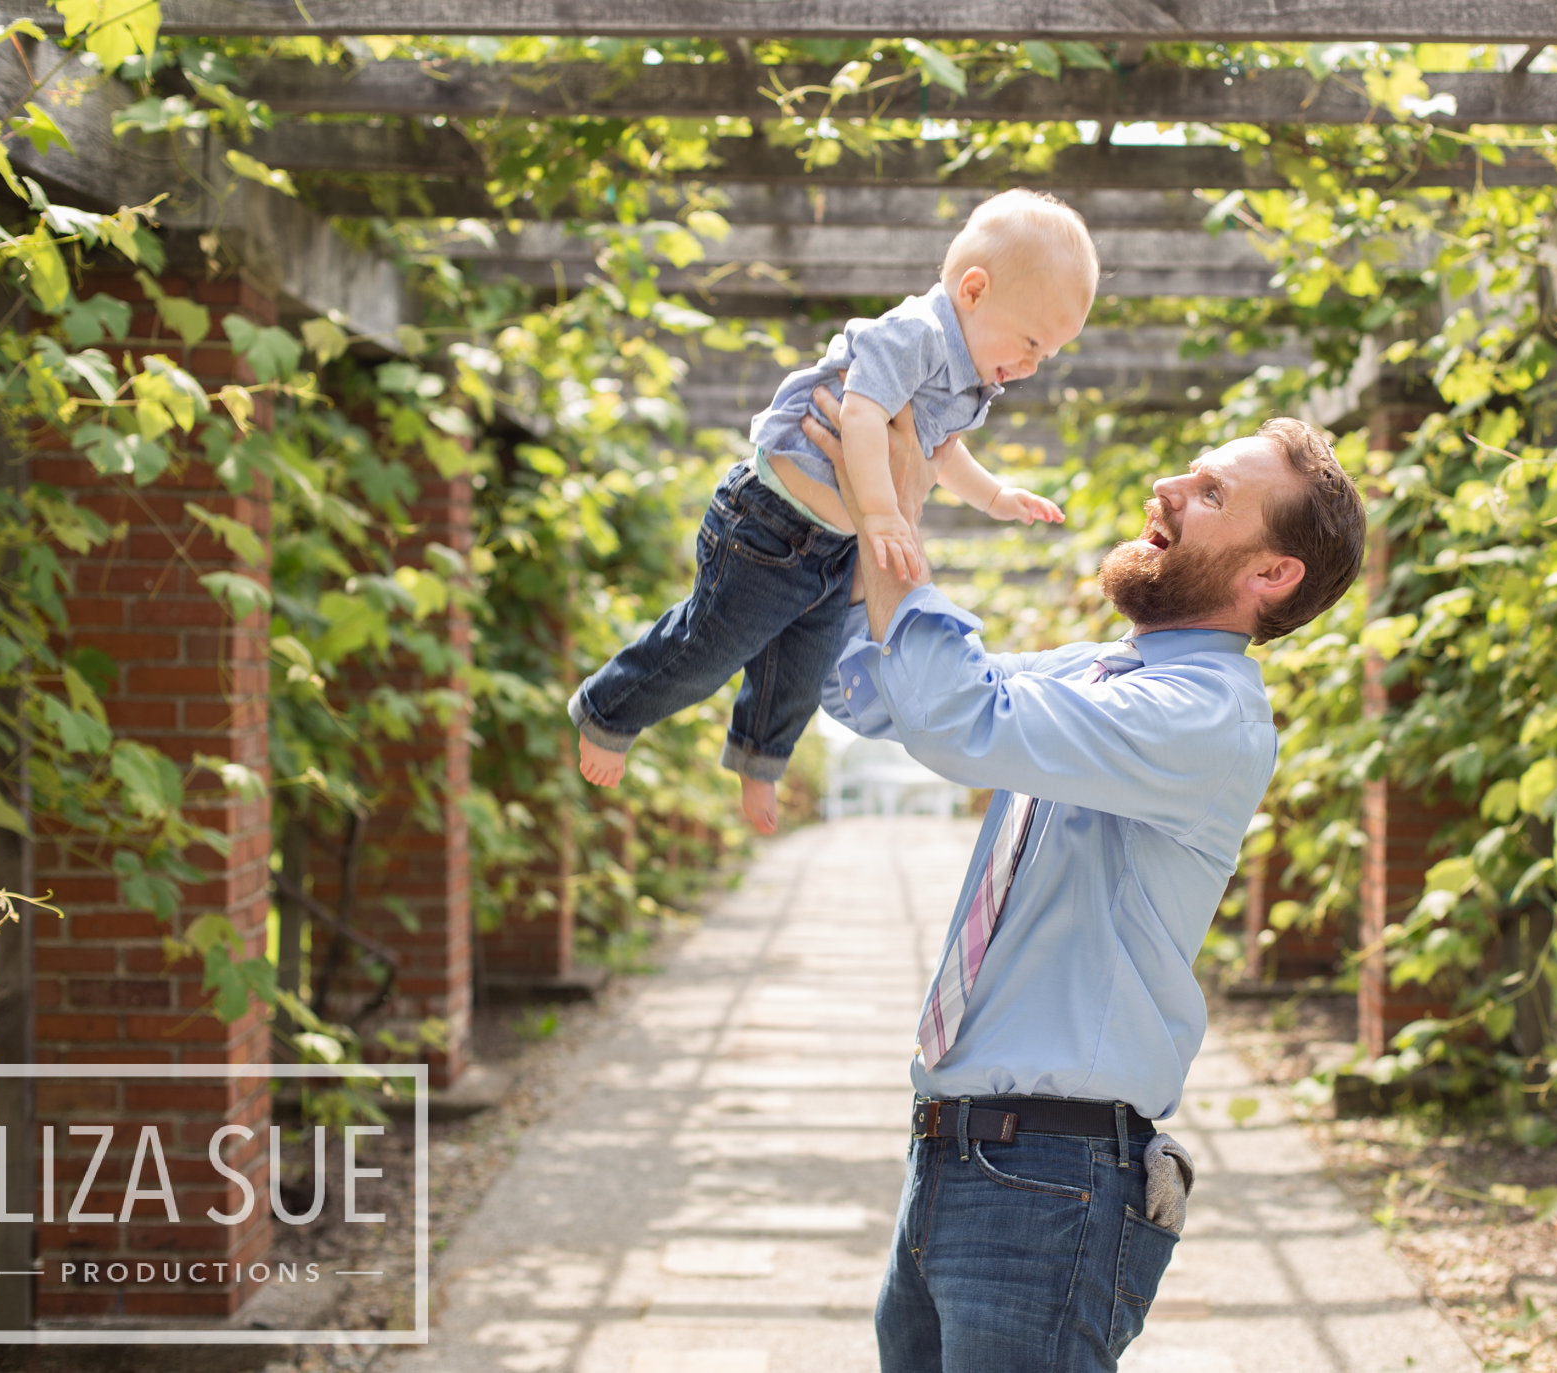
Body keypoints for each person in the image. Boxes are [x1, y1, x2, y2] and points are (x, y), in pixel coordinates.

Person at [803, 388, 1366, 1372]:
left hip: (1048, 1179)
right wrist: (854, 505)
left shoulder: (1203, 714)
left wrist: (893, 522)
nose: (1166, 486)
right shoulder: (1096, 671)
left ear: (1271, 571)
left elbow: (958, 723)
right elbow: (874, 689)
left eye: (1207, 490)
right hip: (954, 1155)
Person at [569, 189, 1098, 834]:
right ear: (975, 290)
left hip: (824, 544)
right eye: (1032, 341)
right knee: (711, 644)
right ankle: (608, 709)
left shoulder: (971, 377)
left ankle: (760, 758)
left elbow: (941, 450)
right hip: (767, 521)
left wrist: (993, 496)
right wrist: (879, 514)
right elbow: (862, 411)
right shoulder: (917, 334)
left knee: (801, 665)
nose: (1032, 365)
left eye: (1046, 355)